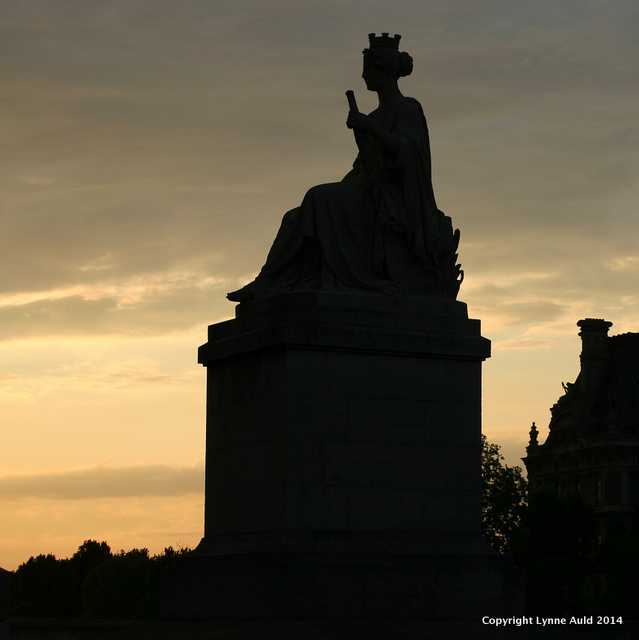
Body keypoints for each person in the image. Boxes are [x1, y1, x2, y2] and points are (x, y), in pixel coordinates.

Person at [227, 33, 462, 303]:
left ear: (381, 71)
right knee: (294, 218)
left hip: (389, 198)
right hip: (363, 186)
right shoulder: (374, 116)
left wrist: (369, 129)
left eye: (367, 71)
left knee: (316, 197)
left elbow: (409, 153)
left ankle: (274, 283)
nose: (363, 78)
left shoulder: (408, 108)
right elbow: (368, 162)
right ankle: (269, 282)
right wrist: (363, 134)